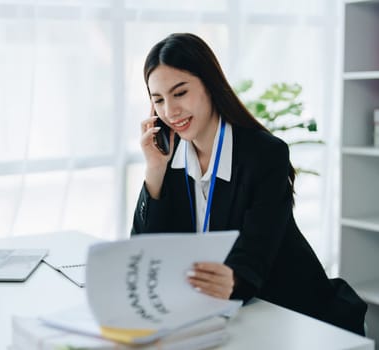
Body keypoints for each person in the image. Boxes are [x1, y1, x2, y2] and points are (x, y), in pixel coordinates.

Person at [131, 33, 367, 335]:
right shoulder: (169, 156)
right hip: (217, 313)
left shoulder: (265, 154)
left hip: (290, 311)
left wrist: (232, 278)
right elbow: (146, 251)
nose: (170, 111)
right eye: (158, 100)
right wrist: (154, 169)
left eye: (180, 93)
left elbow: (255, 253)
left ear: (210, 85)